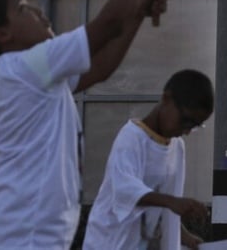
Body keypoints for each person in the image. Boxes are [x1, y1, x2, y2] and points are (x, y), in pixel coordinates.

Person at [0, 0, 170, 249]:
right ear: (3, 34)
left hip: (24, 232)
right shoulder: (25, 66)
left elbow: (101, 68)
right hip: (17, 235)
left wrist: (138, 13)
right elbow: (107, 26)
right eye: (23, 9)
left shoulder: (37, 76)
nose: (37, 11)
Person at [82, 69, 214, 250]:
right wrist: (171, 202)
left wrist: (183, 236)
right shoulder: (131, 137)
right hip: (107, 242)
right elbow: (124, 189)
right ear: (166, 99)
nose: (187, 130)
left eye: (195, 126)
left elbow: (168, 209)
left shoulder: (177, 147)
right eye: (185, 120)